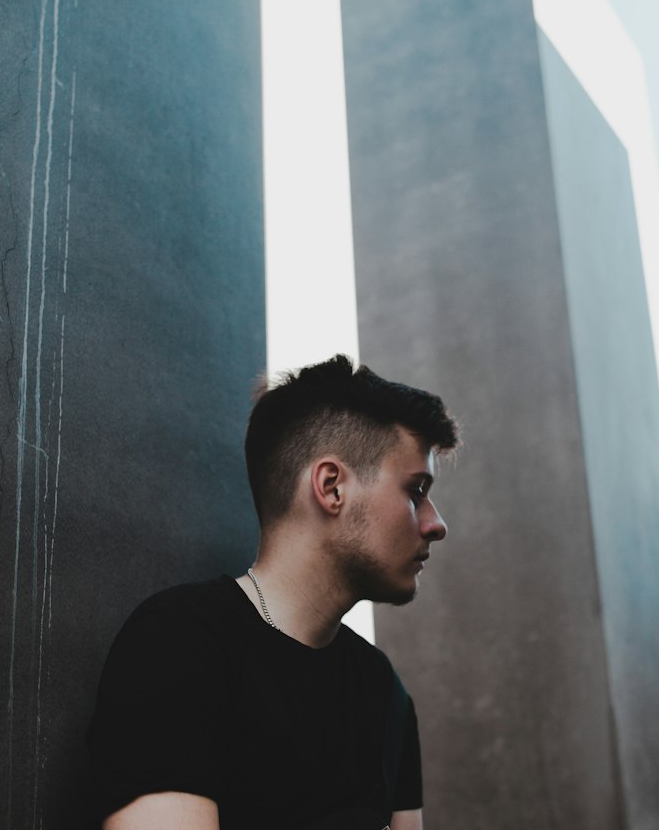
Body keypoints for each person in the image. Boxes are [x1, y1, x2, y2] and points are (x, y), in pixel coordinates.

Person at [87, 354, 458, 830]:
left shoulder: (384, 691)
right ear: (331, 487)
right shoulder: (180, 644)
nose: (436, 524)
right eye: (415, 490)